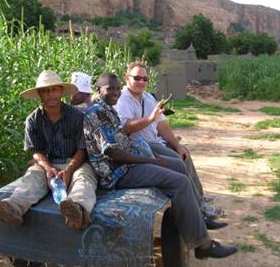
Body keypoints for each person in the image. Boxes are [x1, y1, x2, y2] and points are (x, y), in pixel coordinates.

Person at [83, 73, 237, 259]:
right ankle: (202, 245)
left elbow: (123, 141)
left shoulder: (108, 108)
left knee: (178, 165)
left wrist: (147, 154)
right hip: (118, 172)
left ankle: (196, 218)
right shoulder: (97, 112)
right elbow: (113, 154)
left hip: (128, 162)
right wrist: (151, 160)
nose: (115, 92)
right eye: (110, 88)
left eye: (117, 88)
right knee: (179, 182)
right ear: (99, 90)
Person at [0, 70, 97, 229]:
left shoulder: (76, 116)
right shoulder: (33, 120)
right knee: (32, 177)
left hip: (74, 162)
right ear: (39, 95)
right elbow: (36, 151)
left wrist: (70, 170)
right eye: (45, 91)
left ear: (61, 91)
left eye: (54, 89)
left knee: (84, 179)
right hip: (47, 163)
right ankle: (12, 209)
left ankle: (77, 209)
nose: (50, 94)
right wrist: (48, 168)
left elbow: (82, 149)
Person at [115, 61, 222, 218]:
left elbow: (161, 125)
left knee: (184, 153)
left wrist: (178, 145)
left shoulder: (148, 98)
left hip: (155, 142)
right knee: (177, 162)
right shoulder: (123, 99)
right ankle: (199, 208)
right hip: (140, 146)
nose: (141, 82)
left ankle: (199, 197)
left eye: (145, 79)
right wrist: (150, 118)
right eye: (137, 78)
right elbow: (126, 127)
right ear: (126, 78)